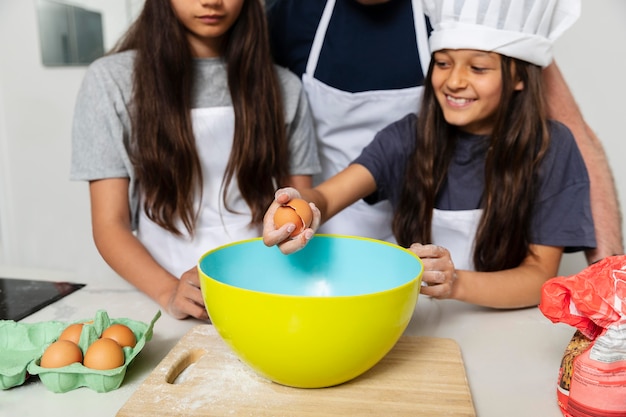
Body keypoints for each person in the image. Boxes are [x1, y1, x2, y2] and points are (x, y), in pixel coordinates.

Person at [263, 0, 596, 309]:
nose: (454, 81)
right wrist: (299, 208)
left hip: (507, 325)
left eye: (478, 69)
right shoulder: (407, 137)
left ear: (520, 77)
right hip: (419, 318)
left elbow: (540, 275)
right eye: (442, 63)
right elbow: (324, 195)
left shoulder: (551, 148)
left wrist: (455, 283)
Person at [70, 0, 320, 320]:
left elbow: (299, 204)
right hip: (157, 294)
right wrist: (168, 291)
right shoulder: (110, 81)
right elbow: (109, 224)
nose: (211, 1)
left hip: (261, 291)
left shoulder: (285, 87)